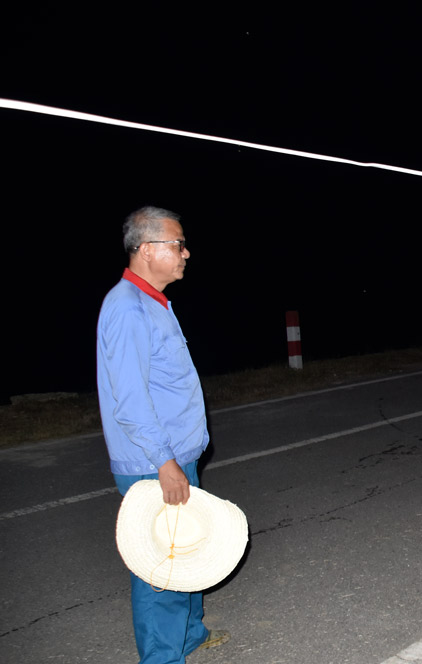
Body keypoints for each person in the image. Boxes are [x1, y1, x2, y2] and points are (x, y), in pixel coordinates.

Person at [97, 206, 230, 663]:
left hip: (174, 454)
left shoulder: (154, 302)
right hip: (154, 462)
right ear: (147, 249)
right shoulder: (128, 308)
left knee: (186, 548)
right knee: (161, 567)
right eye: (178, 244)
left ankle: (189, 635)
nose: (186, 253)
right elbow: (130, 400)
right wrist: (164, 462)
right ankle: (162, 658)